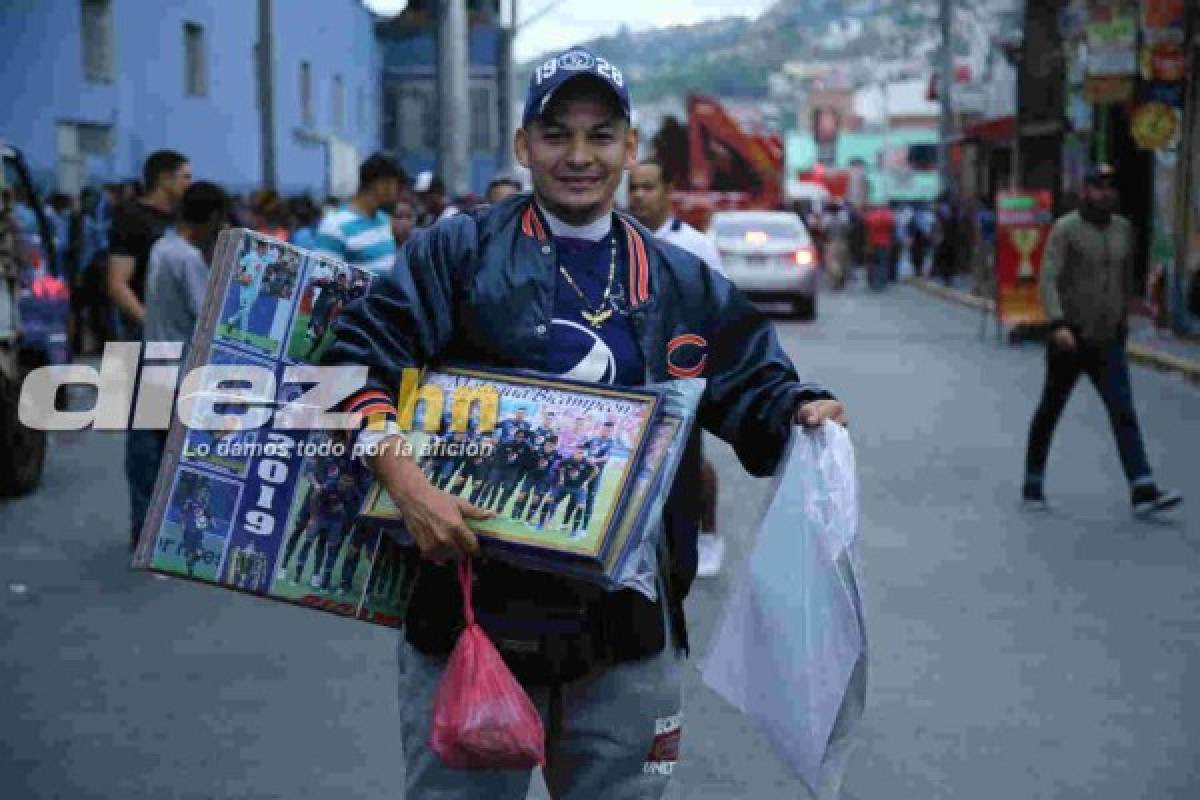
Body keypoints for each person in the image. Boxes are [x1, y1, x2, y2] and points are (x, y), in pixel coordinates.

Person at [323, 46, 846, 798]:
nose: (578, 156)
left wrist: (802, 408)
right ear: (522, 146)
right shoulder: (458, 253)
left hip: (625, 634)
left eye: (601, 135)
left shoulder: (682, 282)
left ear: (630, 148)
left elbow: (753, 385)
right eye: (556, 133)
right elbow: (351, 366)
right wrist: (408, 487)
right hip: (471, 617)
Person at [1021, 164, 1181, 518]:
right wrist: (1057, 323)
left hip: (1108, 339)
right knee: (1051, 409)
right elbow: (1048, 278)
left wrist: (1129, 314)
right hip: (1070, 338)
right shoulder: (1066, 230)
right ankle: (1033, 479)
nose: (1105, 193)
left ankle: (1143, 487)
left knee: (1123, 410)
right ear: (1085, 191)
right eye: (1098, 187)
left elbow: (1124, 279)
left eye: (1110, 187)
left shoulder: (1123, 229)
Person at [627, 158, 727, 575]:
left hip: (683, 376)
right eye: (633, 188)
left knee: (690, 463)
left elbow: (719, 308)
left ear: (668, 190)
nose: (638, 196)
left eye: (648, 187)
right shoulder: (619, 241)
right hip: (634, 377)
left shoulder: (696, 246)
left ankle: (702, 537)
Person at [129, 181, 229, 551]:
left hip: (155, 358)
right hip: (180, 369)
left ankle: (142, 532)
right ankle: (165, 540)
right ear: (214, 217)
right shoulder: (187, 258)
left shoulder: (161, 247)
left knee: (148, 458)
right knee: (178, 459)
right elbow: (208, 314)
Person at [107, 150, 191, 339]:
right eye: (185, 177)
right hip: (144, 332)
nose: (189, 184)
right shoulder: (132, 217)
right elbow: (117, 283)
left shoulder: (184, 217)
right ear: (164, 179)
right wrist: (148, 322)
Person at [314, 153, 407, 275]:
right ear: (383, 184)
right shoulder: (334, 226)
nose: (397, 192)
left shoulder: (384, 220)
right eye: (397, 185)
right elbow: (322, 279)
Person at [863, 204, 895, 290]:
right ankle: (882, 281)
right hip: (885, 243)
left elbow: (867, 228)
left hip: (873, 243)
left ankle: (872, 280)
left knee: (872, 262)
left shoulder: (871, 216)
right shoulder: (889, 217)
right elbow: (892, 229)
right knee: (883, 263)